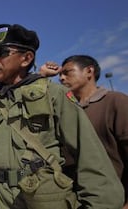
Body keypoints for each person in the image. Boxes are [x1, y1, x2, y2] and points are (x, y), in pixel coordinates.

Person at [0, 15, 124, 208]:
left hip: (38, 200)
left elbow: (91, 157)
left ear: (26, 58)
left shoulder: (53, 94)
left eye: (2, 53)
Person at [41, 55, 128, 208]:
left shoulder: (115, 102)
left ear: (89, 71)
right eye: (60, 74)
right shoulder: (62, 110)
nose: (61, 78)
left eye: (67, 72)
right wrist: (41, 77)